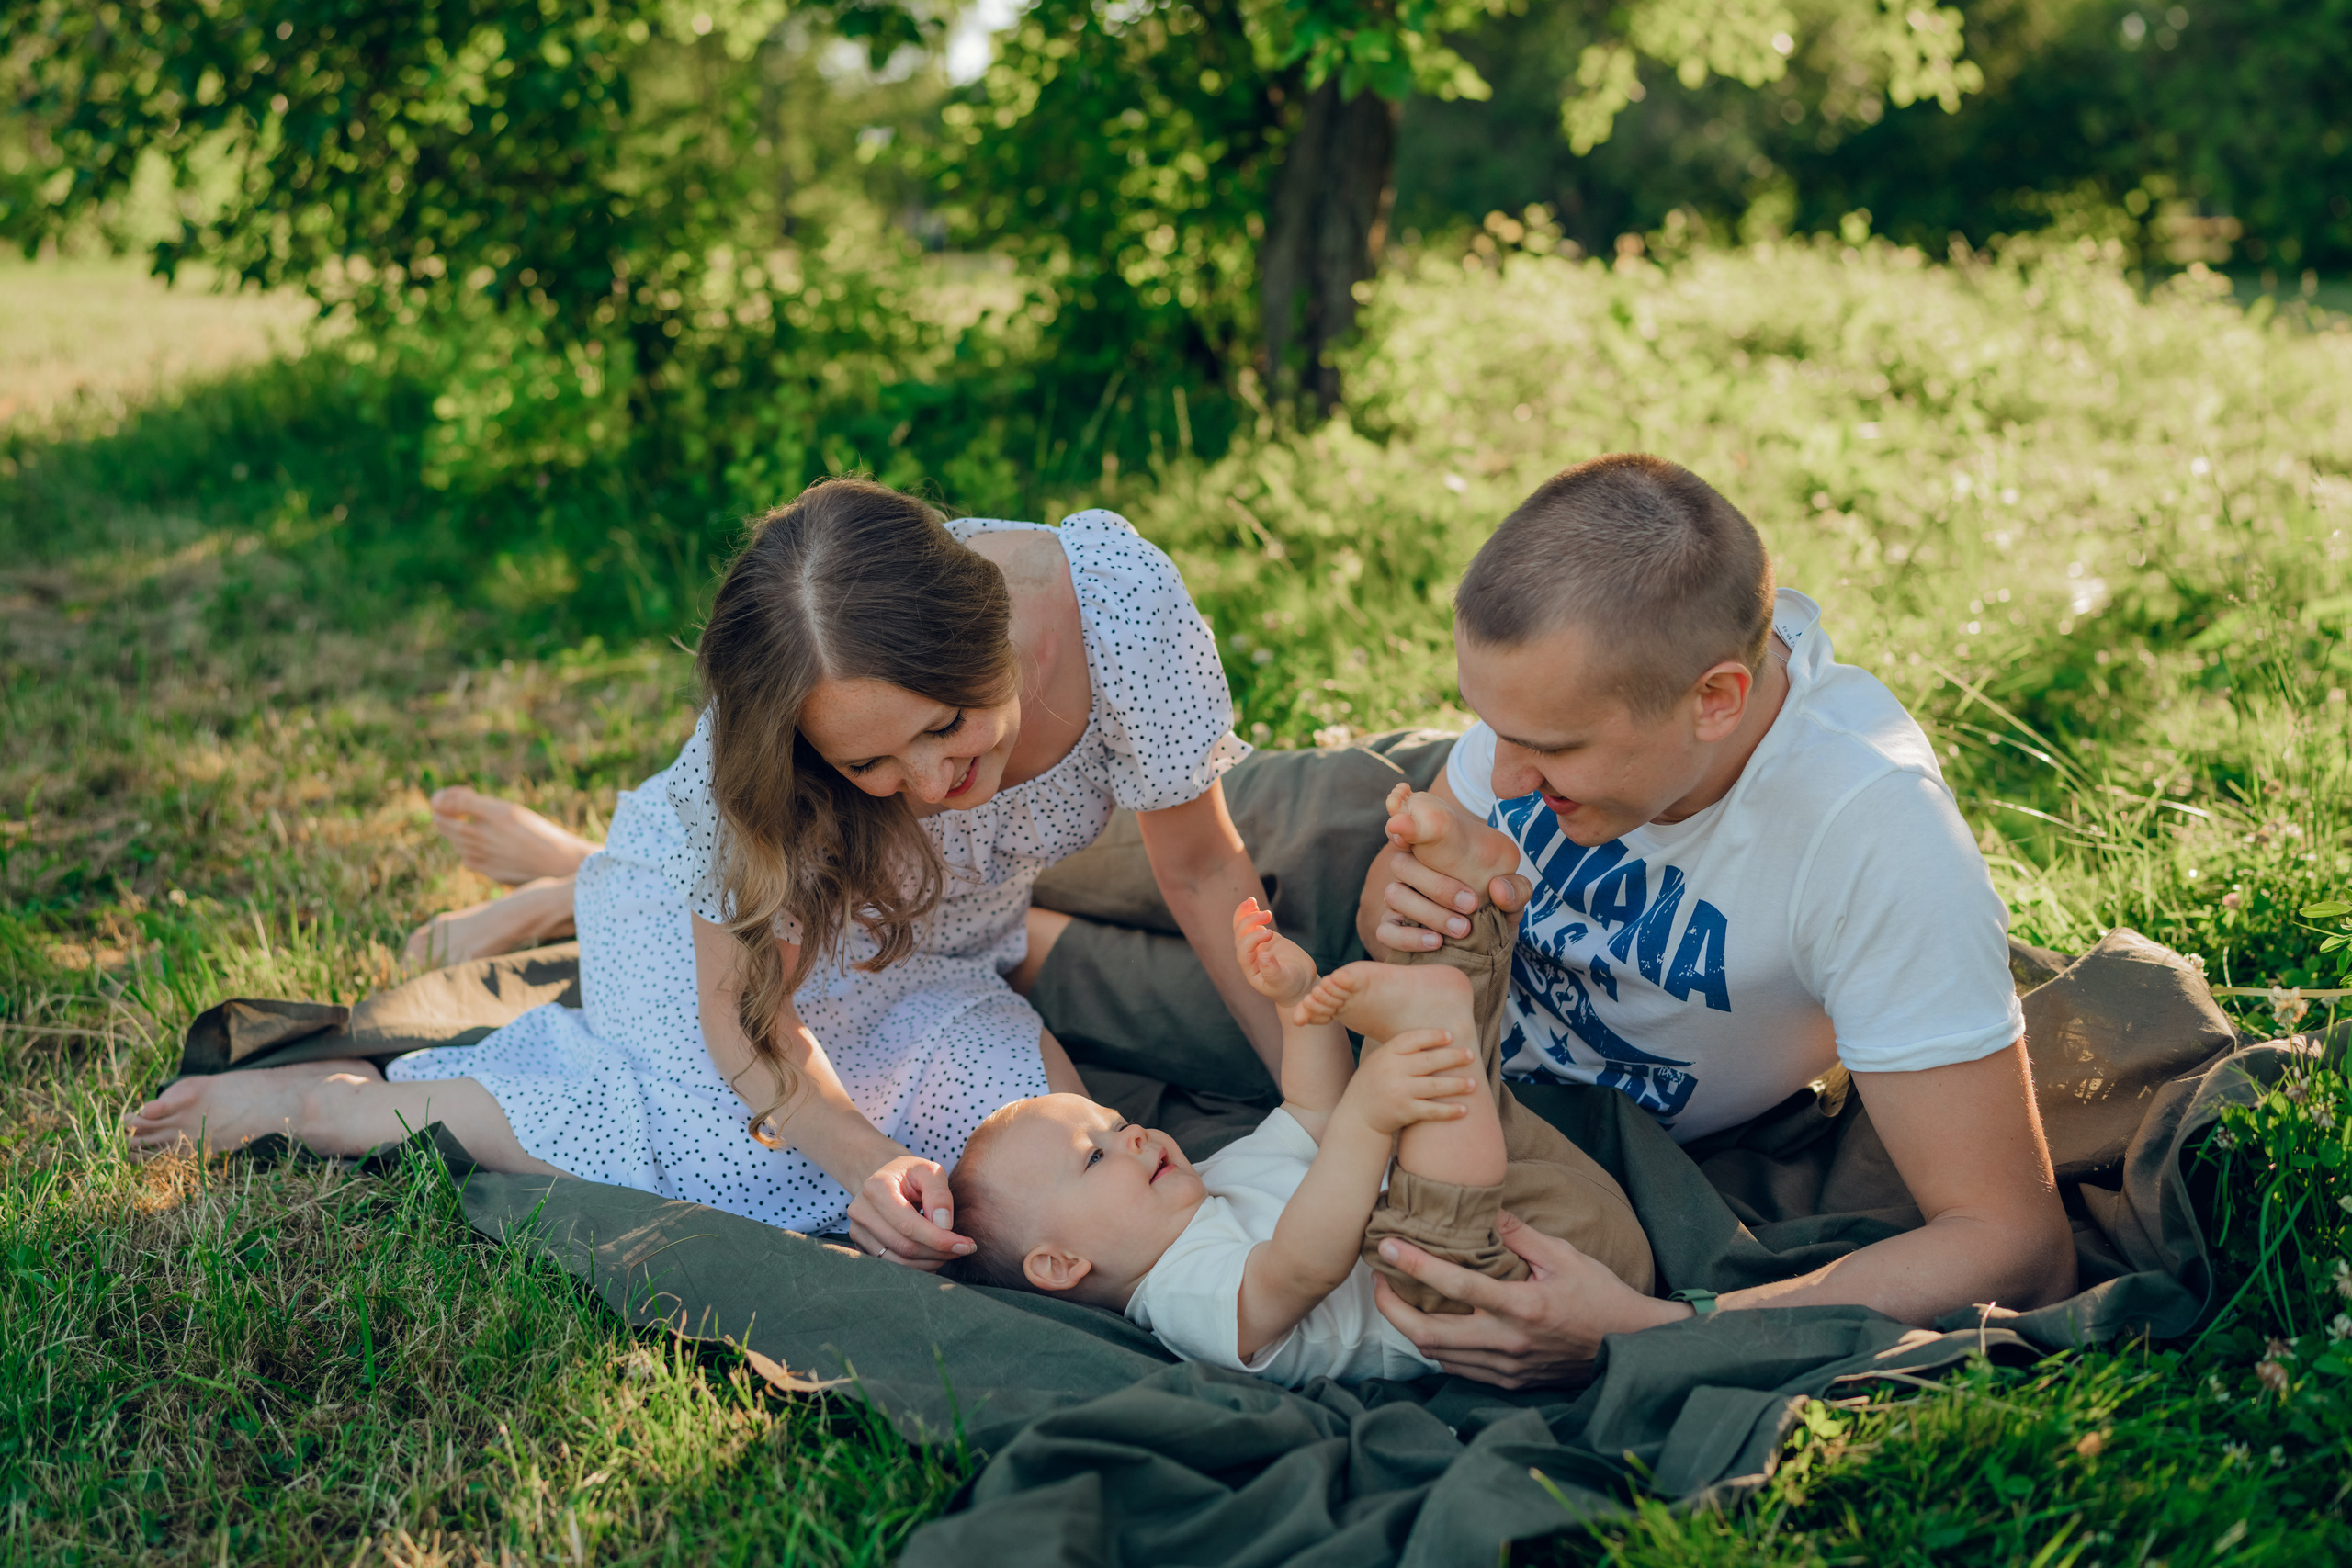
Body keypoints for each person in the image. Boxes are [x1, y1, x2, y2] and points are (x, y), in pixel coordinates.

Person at [129, 480, 1285, 1268]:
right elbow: (748, 1028)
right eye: (870, 762)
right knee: (709, 1157)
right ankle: (347, 1104)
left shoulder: (1115, 608)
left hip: (921, 936)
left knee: (1018, 1141)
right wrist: (871, 1164)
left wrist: (1319, 1105)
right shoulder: (754, 781)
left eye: (945, 726)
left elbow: (1202, 871)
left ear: (987, 619)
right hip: (743, 959)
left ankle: (570, 876)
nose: (933, 784)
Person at [1349, 453, 2076, 1383]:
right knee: (1134, 834)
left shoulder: (1873, 841)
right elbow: (1399, 883)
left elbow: (2016, 1244)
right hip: (1423, 1026)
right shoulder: (1575, 694)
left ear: (1715, 700)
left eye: (1552, 748)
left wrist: (1663, 1328)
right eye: (1494, 730)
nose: (1501, 782)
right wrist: (1389, 898)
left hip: (1557, 1144)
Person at [941, 866, 1651, 1387]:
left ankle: (1461, 905)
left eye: (1117, 1122)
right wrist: (1369, 1119)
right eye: (1094, 1158)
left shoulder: (1209, 1185)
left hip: (1538, 1210)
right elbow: (1303, 1266)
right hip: (1484, 1293)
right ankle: (1447, 988)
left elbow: (1315, 1108)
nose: (1130, 1136)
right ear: (1060, 1264)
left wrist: (1296, 1000)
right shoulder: (1182, 1296)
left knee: (1418, 1084)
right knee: (1414, 1101)